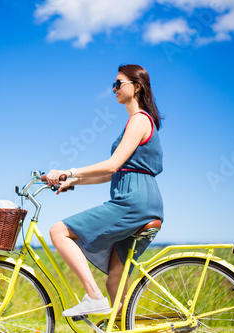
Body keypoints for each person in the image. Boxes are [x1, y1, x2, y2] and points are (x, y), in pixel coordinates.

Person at [45, 64, 164, 317]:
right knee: (115, 280)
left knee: (58, 231)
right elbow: (112, 174)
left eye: (119, 83)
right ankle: (121, 324)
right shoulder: (138, 123)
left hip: (133, 202)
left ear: (137, 86)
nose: (114, 89)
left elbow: (112, 164)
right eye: (114, 85)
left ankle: (92, 296)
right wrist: (72, 182)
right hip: (142, 201)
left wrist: (70, 171)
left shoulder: (139, 120)